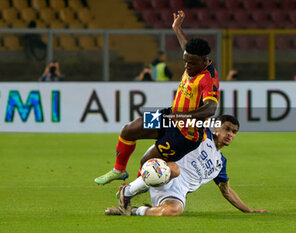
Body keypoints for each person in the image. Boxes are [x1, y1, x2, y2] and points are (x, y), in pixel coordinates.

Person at [94, 10, 220, 185]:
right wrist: (177, 28)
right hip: (171, 115)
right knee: (129, 129)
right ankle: (119, 170)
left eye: (191, 63)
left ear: (204, 60)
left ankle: (129, 192)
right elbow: (186, 48)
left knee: (146, 162)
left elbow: (210, 108)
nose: (187, 66)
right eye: (185, 61)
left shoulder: (208, 79)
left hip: (186, 134)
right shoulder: (194, 58)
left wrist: (182, 117)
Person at [105, 115, 268, 216]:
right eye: (227, 129)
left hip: (176, 191)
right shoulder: (200, 133)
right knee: (174, 169)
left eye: (234, 132)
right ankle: (126, 191)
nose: (230, 134)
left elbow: (226, 190)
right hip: (162, 168)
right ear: (216, 127)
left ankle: (132, 211)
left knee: (173, 211)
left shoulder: (220, 163)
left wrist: (249, 210)